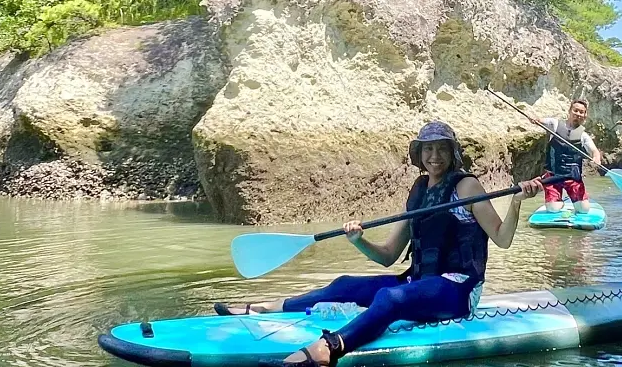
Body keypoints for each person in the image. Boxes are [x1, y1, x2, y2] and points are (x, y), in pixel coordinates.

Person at [213, 120, 544, 367]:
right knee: (344, 285)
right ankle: (266, 307)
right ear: (419, 154)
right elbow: (388, 256)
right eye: (428, 149)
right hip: (420, 281)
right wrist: (359, 241)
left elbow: (501, 238)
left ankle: (330, 348)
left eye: (442, 148)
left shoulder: (468, 186)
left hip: (458, 289)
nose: (435, 156)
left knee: (390, 297)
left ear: (452, 152)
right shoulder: (418, 191)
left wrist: (517, 201)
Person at [530, 98, 602, 214]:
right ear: (570, 111)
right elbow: (541, 120)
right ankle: (559, 202)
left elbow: (594, 151)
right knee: (553, 209)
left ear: (585, 116)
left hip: (573, 177)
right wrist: (535, 119)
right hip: (553, 175)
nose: (578, 114)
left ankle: (572, 200)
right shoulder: (555, 124)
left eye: (581, 112)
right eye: (576, 110)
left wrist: (596, 158)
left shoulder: (583, 135)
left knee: (584, 210)